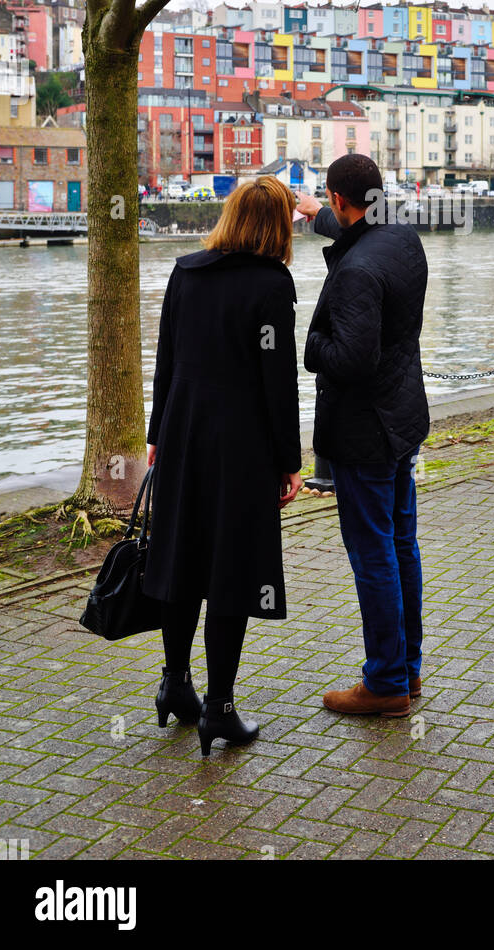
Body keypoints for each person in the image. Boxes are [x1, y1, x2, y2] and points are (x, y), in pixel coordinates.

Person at [144, 175, 303, 756]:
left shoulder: (185, 272)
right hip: (240, 446)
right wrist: (289, 460)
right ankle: (220, 708)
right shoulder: (270, 284)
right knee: (231, 571)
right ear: (277, 226)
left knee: (182, 555)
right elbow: (276, 382)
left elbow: (165, 359)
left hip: (184, 435)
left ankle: (173, 685)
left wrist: (157, 434)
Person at [297, 154, 429, 718]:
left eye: (328, 201)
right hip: (402, 420)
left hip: (364, 432)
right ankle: (408, 668)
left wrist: (310, 347)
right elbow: (355, 233)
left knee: (372, 553)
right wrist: (313, 214)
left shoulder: (354, 273)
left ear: (341, 200)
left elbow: (350, 358)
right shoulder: (402, 239)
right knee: (402, 543)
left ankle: (384, 684)